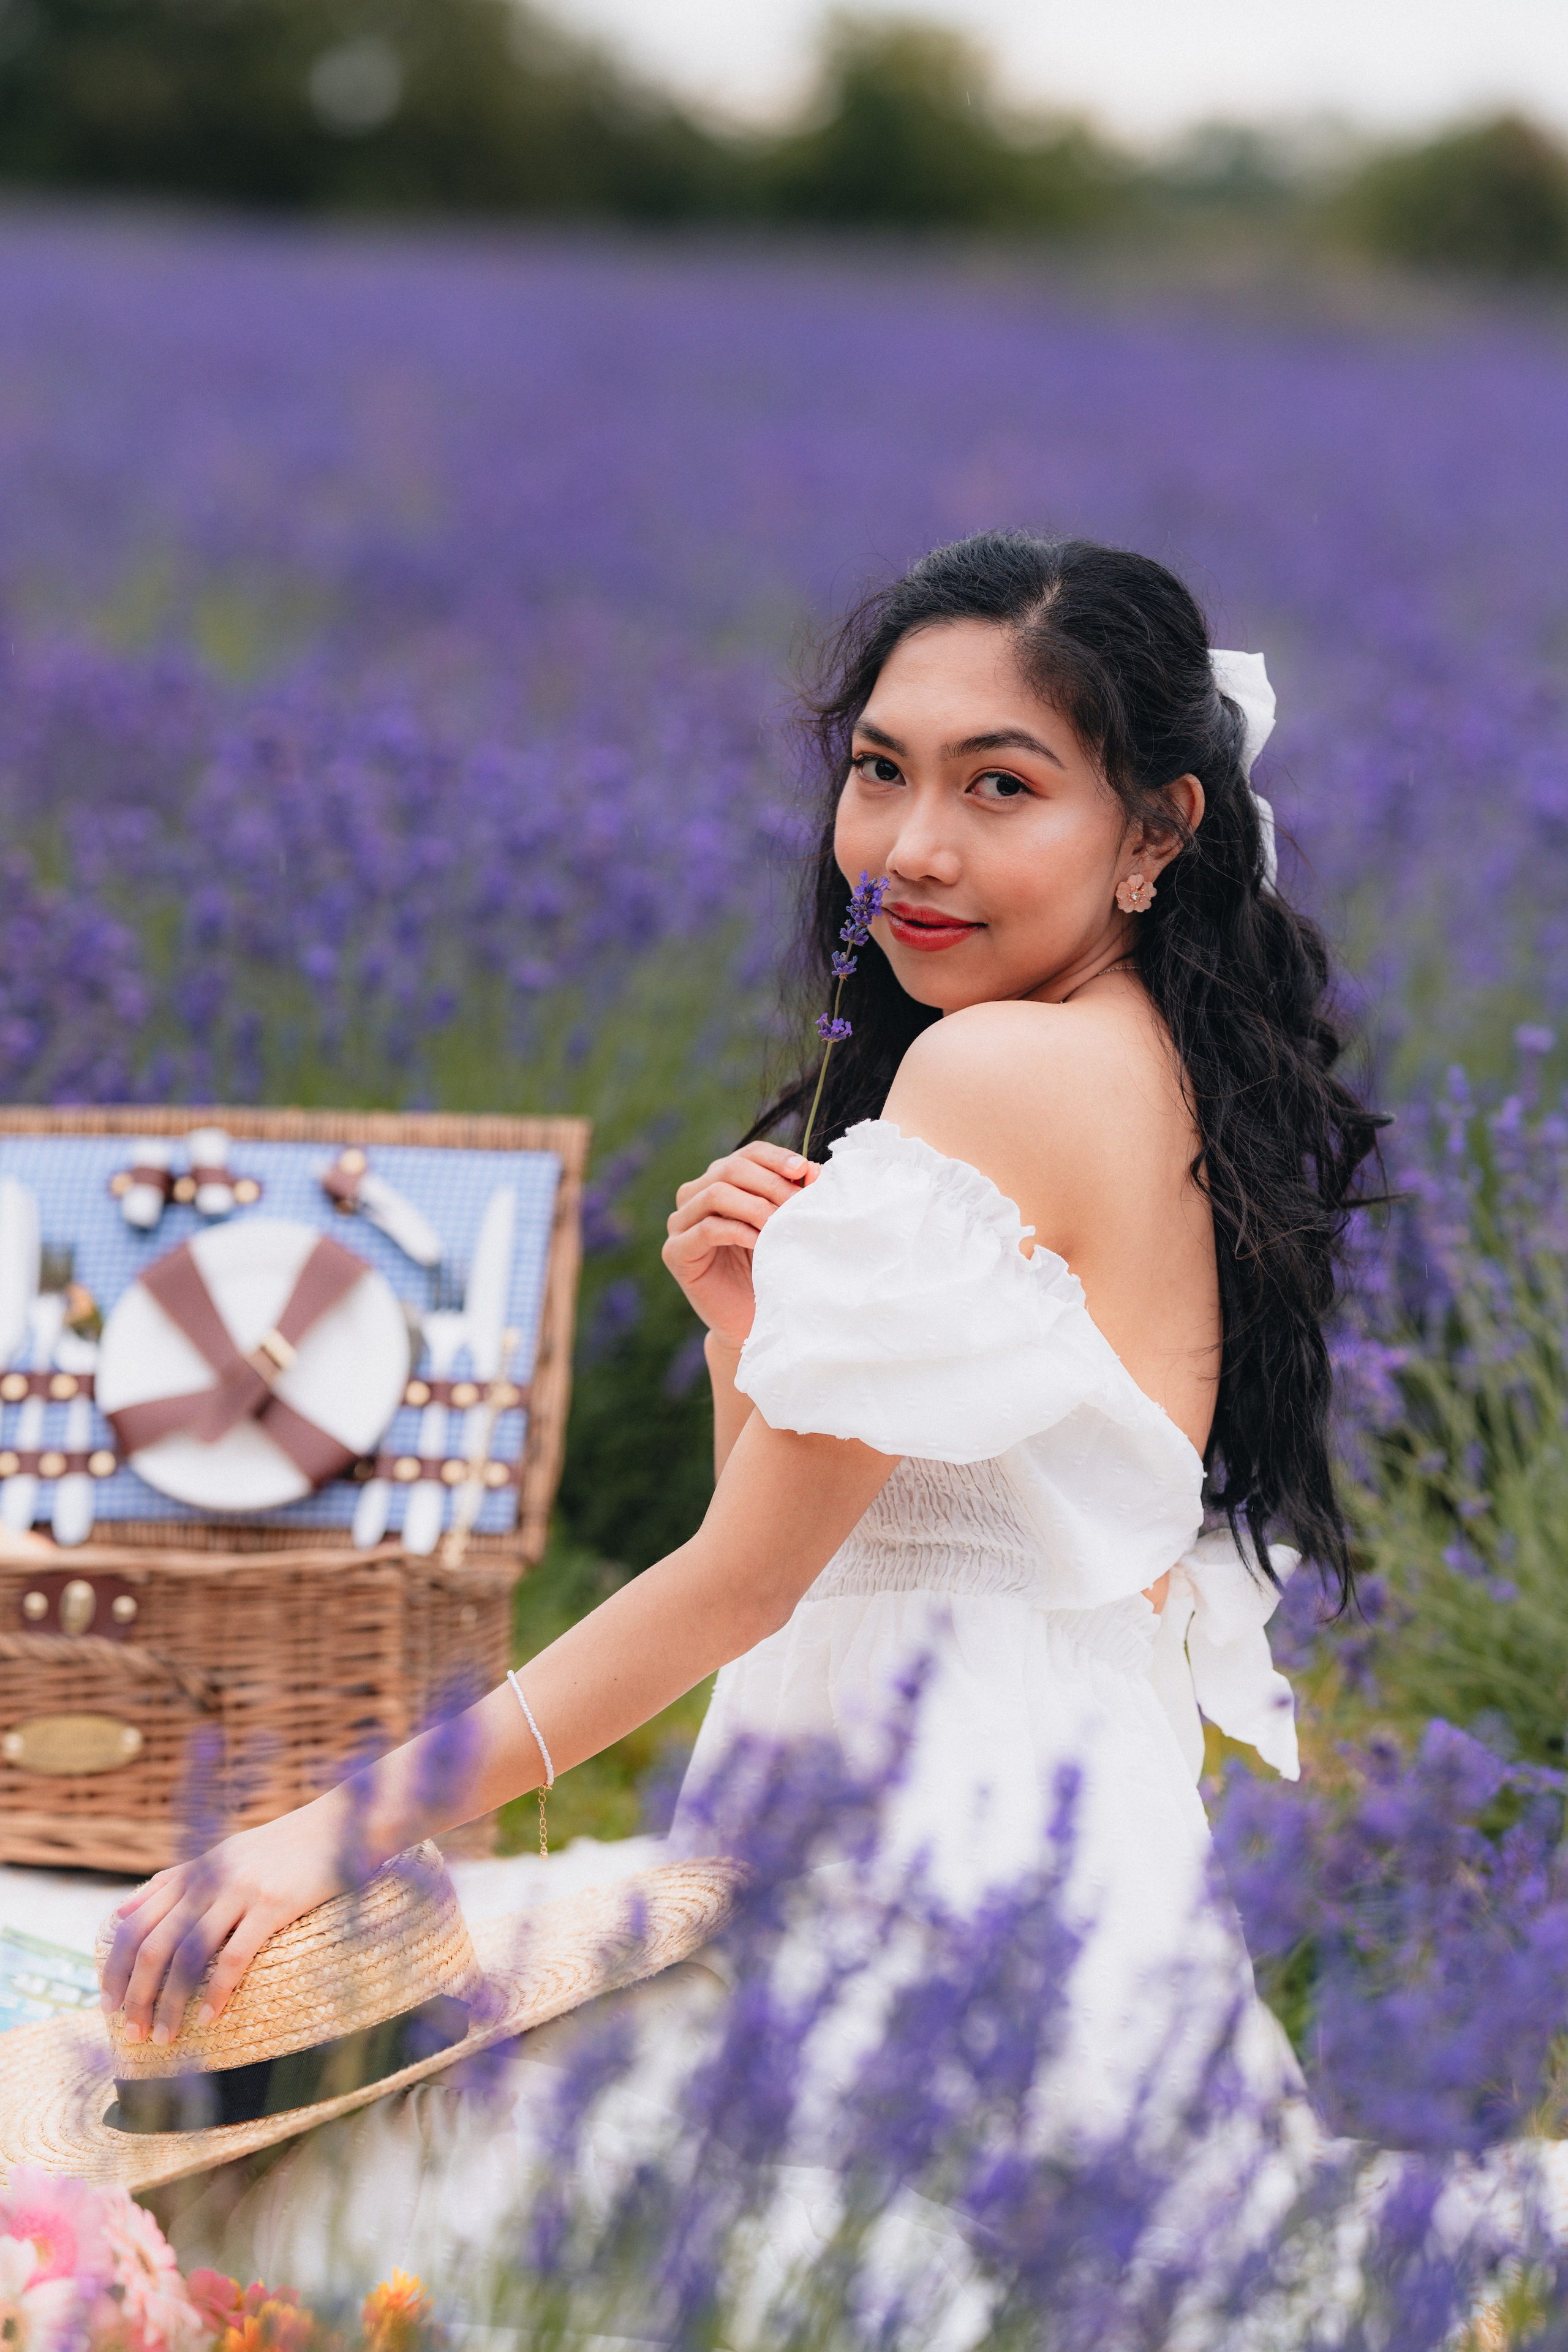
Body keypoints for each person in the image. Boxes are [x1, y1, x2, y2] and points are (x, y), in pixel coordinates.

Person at [108, 531, 1384, 2286]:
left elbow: (742, 1588)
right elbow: (853, 1534)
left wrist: (327, 1824)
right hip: (1065, 1863)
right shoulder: (1154, 1058)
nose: (911, 849)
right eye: (881, 771)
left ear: (1155, 829)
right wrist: (747, 1331)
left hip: (911, 1868)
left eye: (1001, 786)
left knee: (301, 2179)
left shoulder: (991, 1069)